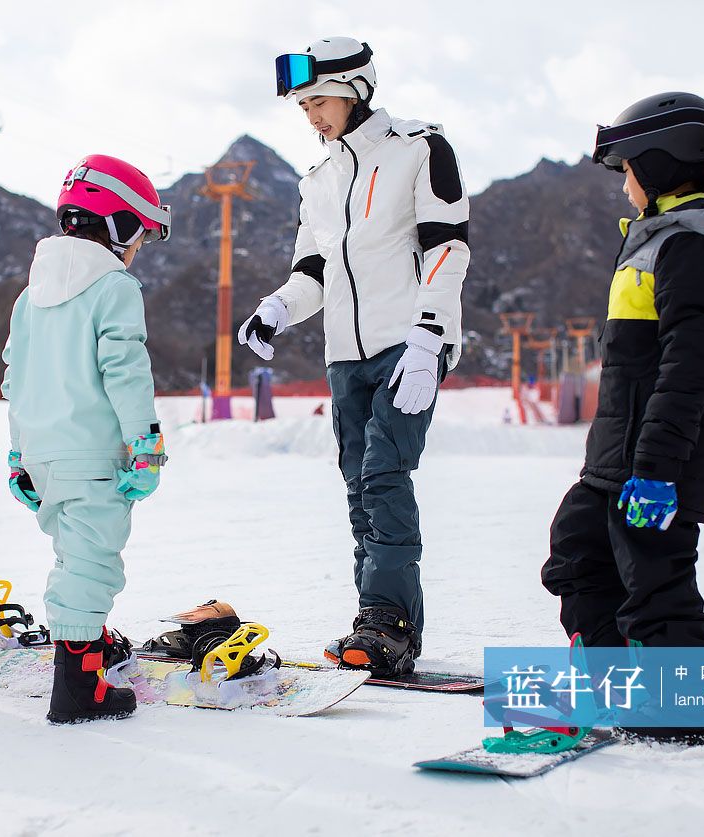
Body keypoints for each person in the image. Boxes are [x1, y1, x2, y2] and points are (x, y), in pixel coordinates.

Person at [539, 93, 704, 746]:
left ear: (657, 161)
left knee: (655, 574)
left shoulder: (690, 248)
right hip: (618, 454)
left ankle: (687, 711)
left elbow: (688, 371)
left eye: (625, 170)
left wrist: (657, 470)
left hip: (657, 463)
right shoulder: (657, 241)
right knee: (578, 553)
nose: (622, 184)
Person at [238, 37, 470, 677]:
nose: (310, 116)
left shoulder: (420, 148)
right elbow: (313, 269)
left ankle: (388, 622)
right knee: (359, 491)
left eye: (318, 101)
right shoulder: (318, 179)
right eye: (302, 105)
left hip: (408, 343)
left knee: (385, 476)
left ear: (355, 88)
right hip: (345, 354)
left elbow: (447, 246)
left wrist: (430, 339)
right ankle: (378, 620)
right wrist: (278, 308)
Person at [1, 154, 171, 723]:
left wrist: (20, 455)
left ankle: (83, 665)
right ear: (119, 223)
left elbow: (15, 378)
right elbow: (125, 369)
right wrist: (145, 445)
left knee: (73, 560)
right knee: (92, 565)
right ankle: (78, 690)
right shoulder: (114, 286)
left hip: (46, 454)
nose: (137, 248)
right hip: (93, 452)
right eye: (139, 235)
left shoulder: (30, 295)